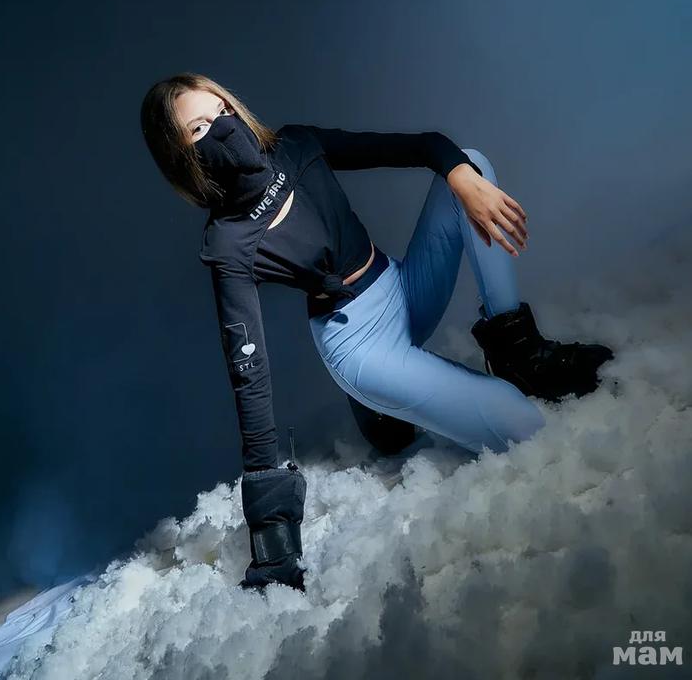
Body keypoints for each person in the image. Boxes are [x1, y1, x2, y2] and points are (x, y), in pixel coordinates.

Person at [140, 73, 613, 594]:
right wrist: (272, 533)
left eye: (223, 111)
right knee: (522, 424)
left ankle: (520, 354)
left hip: (403, 287)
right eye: (200, 129)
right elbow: (248, 378)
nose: (224, 129)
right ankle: (377, 405)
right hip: (359, 344)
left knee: (469, 164)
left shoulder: (297, 145)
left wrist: (459, 174)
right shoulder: (228, 243)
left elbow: (421, 147)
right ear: (182, 159)